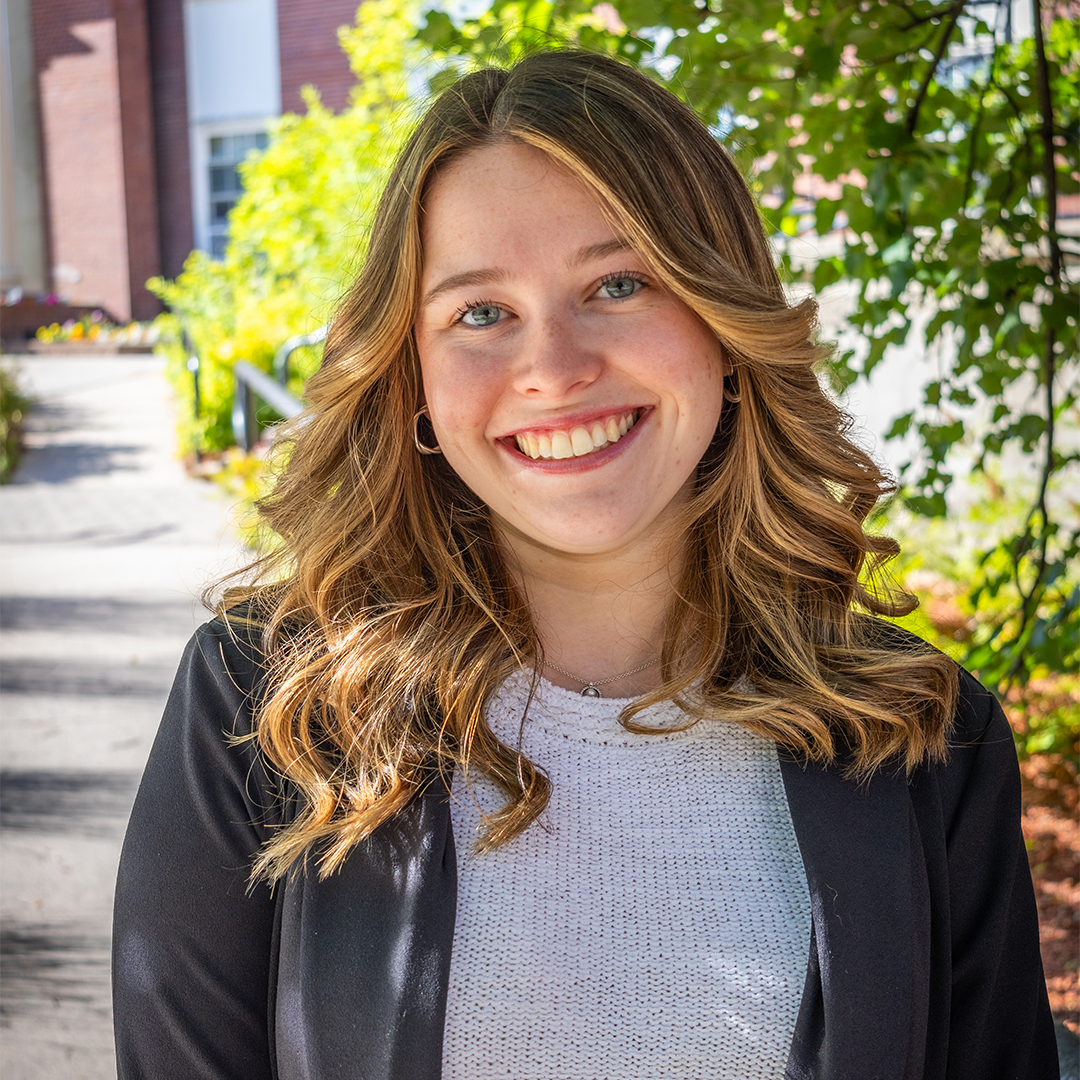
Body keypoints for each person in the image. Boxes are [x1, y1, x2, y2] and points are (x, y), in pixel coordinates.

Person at [112, 49, 1059, 1079]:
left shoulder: (926, 740)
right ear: (413, 376)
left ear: (723, 322)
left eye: (618, 284)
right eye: (481, 312)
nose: (554, 370)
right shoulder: (266, 710)